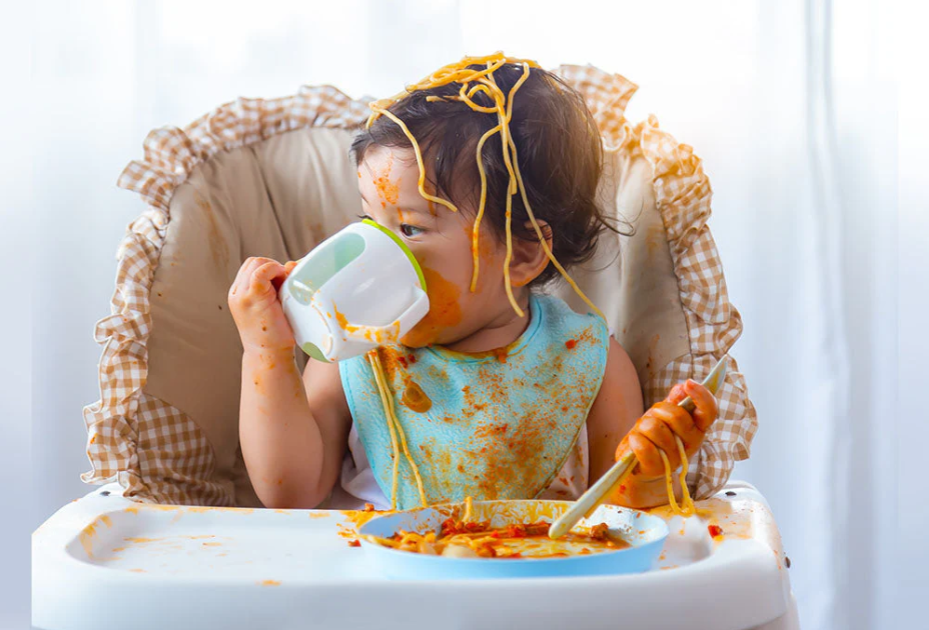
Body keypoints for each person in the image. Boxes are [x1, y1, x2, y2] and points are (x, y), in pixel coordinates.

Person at [227, 56, 718, 511]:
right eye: (370, 220)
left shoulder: (591, 362)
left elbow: (614, 519)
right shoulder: (357, 351)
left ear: (521, 255)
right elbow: (289, 493)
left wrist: (648, 477)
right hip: (378, 587)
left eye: (410, 228)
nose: (374, 249)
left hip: (531, 589)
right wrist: (266, 354)